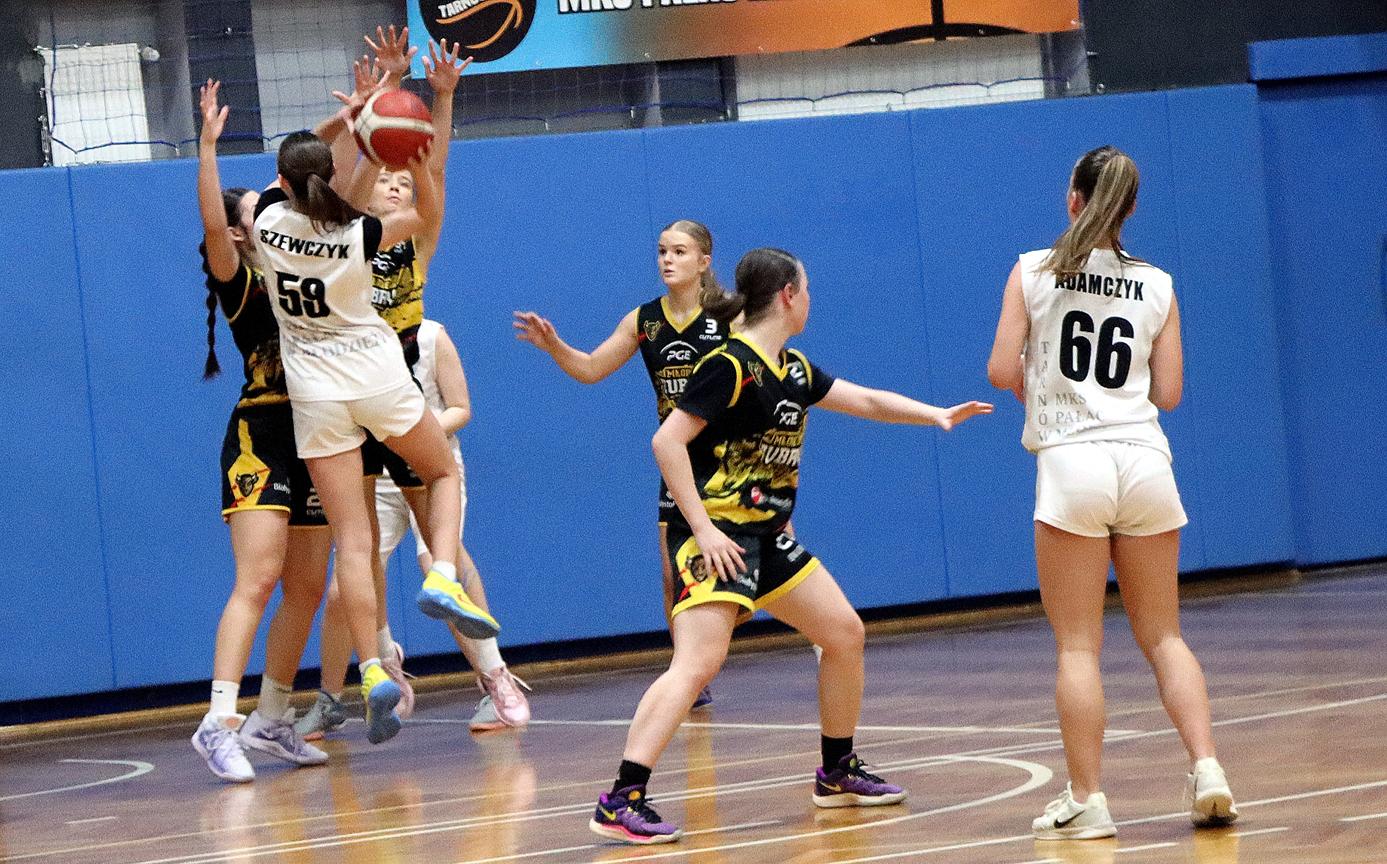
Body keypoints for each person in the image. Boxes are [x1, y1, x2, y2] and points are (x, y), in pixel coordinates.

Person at [588, 247, 993, 844]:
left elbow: (866, 400)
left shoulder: (793, 370)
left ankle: (836, 771)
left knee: (844, 634)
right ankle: (621, 799)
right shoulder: (729, 366)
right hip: (717, 537)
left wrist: (935, 414)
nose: (810, 300)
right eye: (807, 289)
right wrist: (703, 529)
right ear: (787, 295)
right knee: (697, 663)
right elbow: (666, 443)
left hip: (768, 536)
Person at [987, 145, 1238, 839]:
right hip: (1144, 461)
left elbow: (999, 369)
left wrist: (1034, 378)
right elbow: (1169, 393)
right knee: (1164, 636)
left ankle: (1089, 800)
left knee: (1078, 646)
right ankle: (1208, 768)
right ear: (1130, 208)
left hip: (1073, 463)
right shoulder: (1158, 283)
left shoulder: (1033, 269)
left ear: (1073, 198)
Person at [294, 27, 504, 739]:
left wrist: (437, 100)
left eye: (399, 180)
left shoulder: (412, 239)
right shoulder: (341, 235)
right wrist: (378, 102)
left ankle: (488, 675)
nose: (392, 181)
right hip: (363, 386)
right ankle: (375, 668)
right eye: (383, 177)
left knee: (422, 544)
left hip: (386, 386)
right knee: (360, 554)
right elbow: (339, 179)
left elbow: (429, 167)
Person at [251, 116, 463, 746]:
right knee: (442, 472)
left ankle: (370, 668)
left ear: (285, 180)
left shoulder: (265, 221)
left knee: (352, 538)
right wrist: (399, 154)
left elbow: (295, 179)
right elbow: (425, 214)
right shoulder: (358, 234)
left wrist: (347, 123)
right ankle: (442, 573)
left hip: (315, 394)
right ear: (331, 176)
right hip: (376, 377)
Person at [513, 220, 730, 707]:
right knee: (675, 575)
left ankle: (818, 630)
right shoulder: (644, 320)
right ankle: (690, 675)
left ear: (704, 261)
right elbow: (591, 368)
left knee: (763, 558)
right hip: (678, 461)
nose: (667, 259)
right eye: (662, 251)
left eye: (679, 251)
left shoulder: (728, 316)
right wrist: (554, 346)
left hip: (732, 457)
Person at [191, 79, 333, 782]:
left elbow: (309, 181)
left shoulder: (305, 265)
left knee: (308, 587)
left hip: (320, 438)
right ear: (244, 232)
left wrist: (353, 120)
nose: (272, 209)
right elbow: (215, 223)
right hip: (262, 436)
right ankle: (217, 722)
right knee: (260, 576)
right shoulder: (241, 280)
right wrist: (207, 146)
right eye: (257, 208)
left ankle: (272, 717)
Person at [297, 319, 531, 739]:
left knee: (439, 567)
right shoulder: (349, 340)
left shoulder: (431, 336)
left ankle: (496, 677)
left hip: (428, 466)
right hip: (379, 478)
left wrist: (411, 434)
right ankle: (344, 691)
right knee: (343, 588)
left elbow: (461, 407)